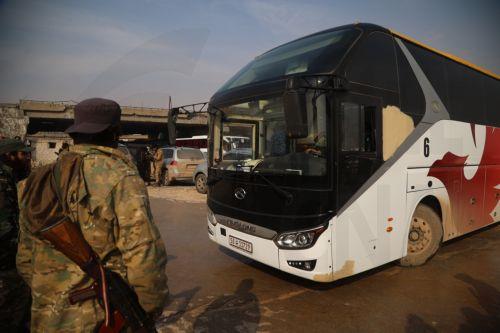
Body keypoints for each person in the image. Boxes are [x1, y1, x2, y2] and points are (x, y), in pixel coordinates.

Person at [16, 98, 169, 332]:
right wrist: (148, 309)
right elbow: (143, 254)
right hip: (101, 318)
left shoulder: (37, 180)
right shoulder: (121, 177)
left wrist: (52, 293)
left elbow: (25, 260)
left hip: (46, 317)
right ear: (115, 133)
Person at [0, 139, 32, 332]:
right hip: (6, 259)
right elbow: (4, 224)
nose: (27, 157)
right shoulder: (2, 181)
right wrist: (21, 248)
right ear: (8, 156)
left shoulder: (12, 175)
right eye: (22, 154)